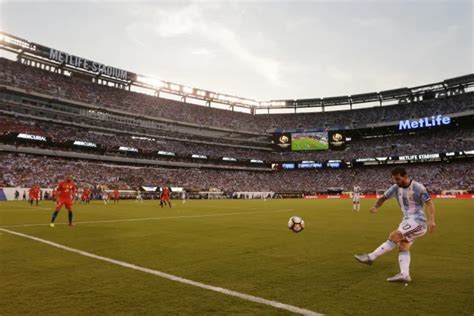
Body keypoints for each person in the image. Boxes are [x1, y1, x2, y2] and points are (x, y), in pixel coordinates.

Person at [354, 167, 436, 282]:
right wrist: (376, 207)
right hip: (407, 220)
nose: (396, 182)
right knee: (403, 245)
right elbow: (383, 198)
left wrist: (431, 220)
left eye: (398, 179)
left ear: (406, 177)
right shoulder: (396, 187)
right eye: (394, 180)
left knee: (395, 235)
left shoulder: (418, 187)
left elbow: (429, 203)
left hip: (418, 221)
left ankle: (370, 257)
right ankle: (404, 275)